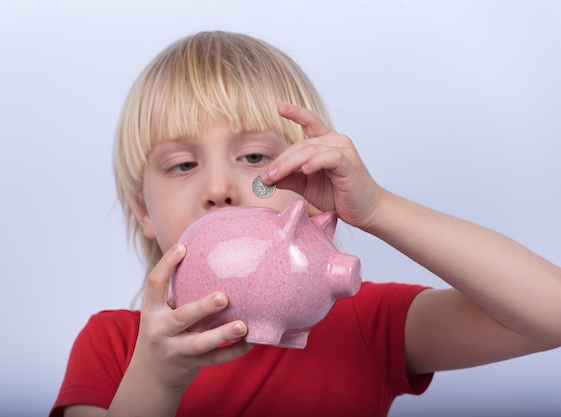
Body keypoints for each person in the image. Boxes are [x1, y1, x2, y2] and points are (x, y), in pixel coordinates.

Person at [50, 31, 561, 417]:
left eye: (253, 156)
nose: (219, 187)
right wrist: (157, 378)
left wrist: (378, 209)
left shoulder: (368, 323)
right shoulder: (113, 345)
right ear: (142, 211)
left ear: (310, 180)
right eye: (183, 165)